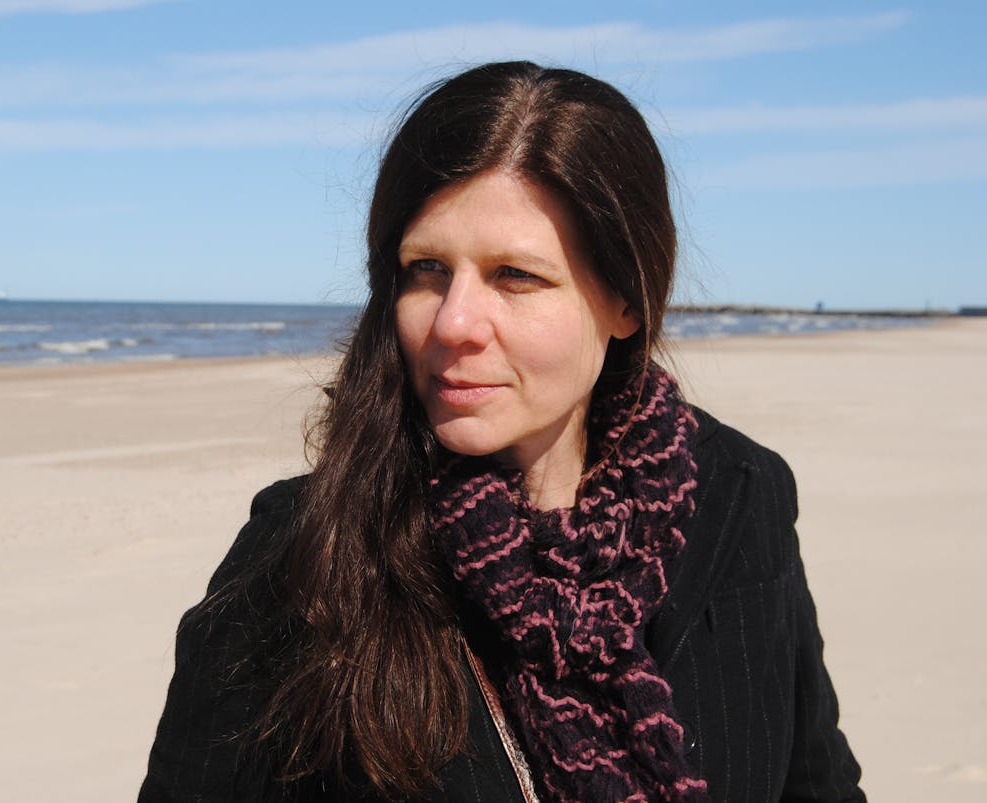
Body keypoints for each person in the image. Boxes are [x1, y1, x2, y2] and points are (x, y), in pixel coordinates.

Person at [137, 61, 865, 803]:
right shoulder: (306, 549)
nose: (453, 322)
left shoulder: (740, 498)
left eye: (515, 276)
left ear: (626, 300)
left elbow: (820, 786)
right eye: (426, 268)